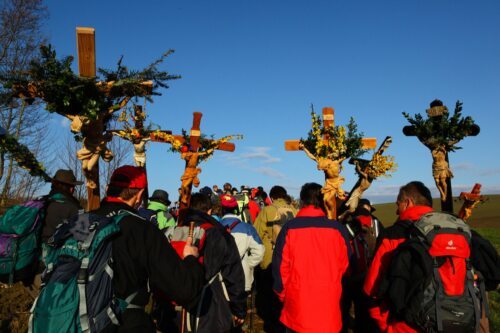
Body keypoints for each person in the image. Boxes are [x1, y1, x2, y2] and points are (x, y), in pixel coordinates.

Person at [92, 165, 205, 332]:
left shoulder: (80, 222)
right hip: (123, 324)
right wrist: (190, 258)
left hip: (76, 320)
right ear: (139, 195)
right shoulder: (142, 229)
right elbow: (184, 289)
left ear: (108, 189)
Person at [272, 182, 351, 333]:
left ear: (302, 202)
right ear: (322, 201)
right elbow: (346, 267)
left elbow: (280, 270)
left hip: (298, 307)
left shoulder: (290, 229)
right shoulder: (337, 230)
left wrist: (285, 296)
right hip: (329, 305)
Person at [170, 192, 247, 333]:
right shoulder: (219, 233)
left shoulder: (176, 230)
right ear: (210, 211)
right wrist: (239, 309)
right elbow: (233, 274)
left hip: (177, 306)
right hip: (210, 306)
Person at [363, 181, 434, 333]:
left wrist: (385, 325)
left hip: (405, 325)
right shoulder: (454, 231)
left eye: (398, 204)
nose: (396, 211)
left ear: (408, 203)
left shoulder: (393, 235)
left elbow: (372, 288)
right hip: (453, 320)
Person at [254, 185, 297, 333]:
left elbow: (257, 234)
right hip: (292, 259)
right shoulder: (295, 211)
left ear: (272, 198)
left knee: (270, 294)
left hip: (271, 259)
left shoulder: (267, 210)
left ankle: (273, 323)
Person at [220, 194, 265, 293]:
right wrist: (248, 265)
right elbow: (260, 251)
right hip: (242, 278)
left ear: (222, 210)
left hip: (220, 281)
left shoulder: (214, 228)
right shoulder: (248, 228)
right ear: (236, 209)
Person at [41, 169, 83, 243]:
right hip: (58, 252)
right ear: (71, 189)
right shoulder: (74, 208)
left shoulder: (41, 202)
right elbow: (83, 236)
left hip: (35, 251)